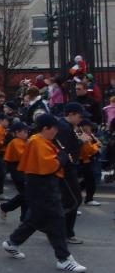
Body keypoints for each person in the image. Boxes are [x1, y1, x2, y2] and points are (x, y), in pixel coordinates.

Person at [2, 114, 86, 273]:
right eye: (54, 129)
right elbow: (50, 165)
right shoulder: (37, 141)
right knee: (57, 220)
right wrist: (62, 158)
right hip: (42, 185)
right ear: (46, 128)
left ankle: (12, 242)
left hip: (43, 185)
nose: (56, 132)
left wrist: (61, 157)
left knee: (36, 218)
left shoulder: (42, 141)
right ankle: (64, 258)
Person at [55, 102, 89, 244]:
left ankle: (62, 231)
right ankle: (63, 232)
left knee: (70, 201)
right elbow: (65, 149)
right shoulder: (64, 128)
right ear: (71, 114)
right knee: (73, 200)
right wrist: (81, 141)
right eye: (79, 116)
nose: (81, 119)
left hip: (69, 168)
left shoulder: (68, 126)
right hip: (66, 169)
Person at [0, 122, 29, 221]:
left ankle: (23, 217)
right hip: (17, 169)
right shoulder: (16, 142)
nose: (26, 134)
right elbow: (23, 155)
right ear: (17, 132)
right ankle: (6, 207)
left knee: (26, 194)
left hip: (22, 168)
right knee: (26, 194)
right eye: (24, 132)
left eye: (27, 132)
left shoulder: (23, 141)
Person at [79, 120, 101, 206]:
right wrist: (97, 146)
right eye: (89, 127)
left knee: (87, 181)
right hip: (84, 161)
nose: (90, 128)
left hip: (87, 161)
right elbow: (88, 150)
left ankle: (88, 198)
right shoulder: (82, 135)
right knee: (89, 181)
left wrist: (96, 143)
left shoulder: (89, 135)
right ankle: (88, 199)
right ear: (84, 127)